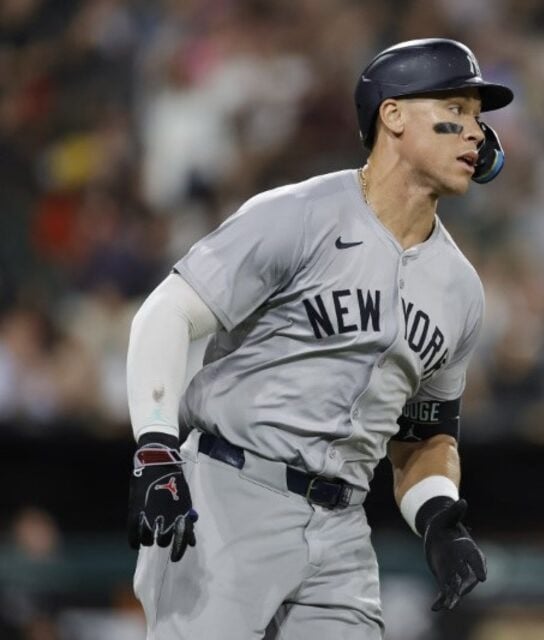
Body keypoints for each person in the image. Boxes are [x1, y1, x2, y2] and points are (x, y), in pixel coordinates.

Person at [125, 38, 513, 639]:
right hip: (231, 494)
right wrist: (155, 451)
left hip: (341, 527)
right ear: (393, 115)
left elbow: (424, 433)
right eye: (456, 111)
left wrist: (440, 519)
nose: (476, 134)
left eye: (479, 119)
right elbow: (167, 315)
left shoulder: (460, 289)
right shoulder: (298, 214)